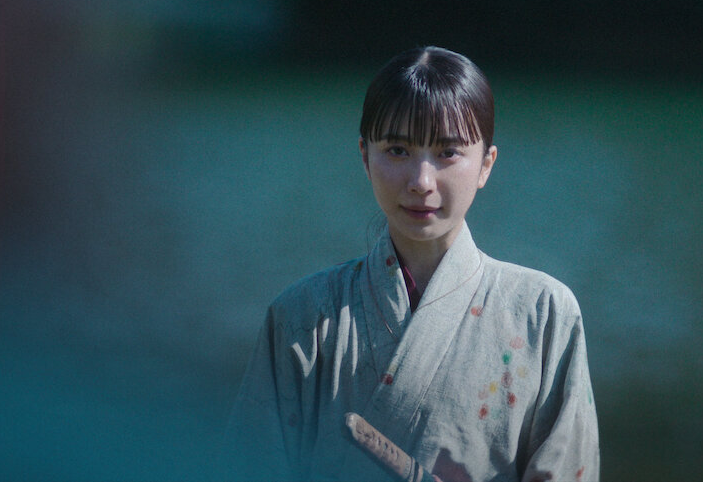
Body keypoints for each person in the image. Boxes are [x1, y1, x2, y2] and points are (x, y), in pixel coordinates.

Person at [222, 46, 599, 482]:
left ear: (486, 164)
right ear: (365, 156)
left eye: (448, 152)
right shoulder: (302, 317)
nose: (421, 182)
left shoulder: (543, 313)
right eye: (398, 150)